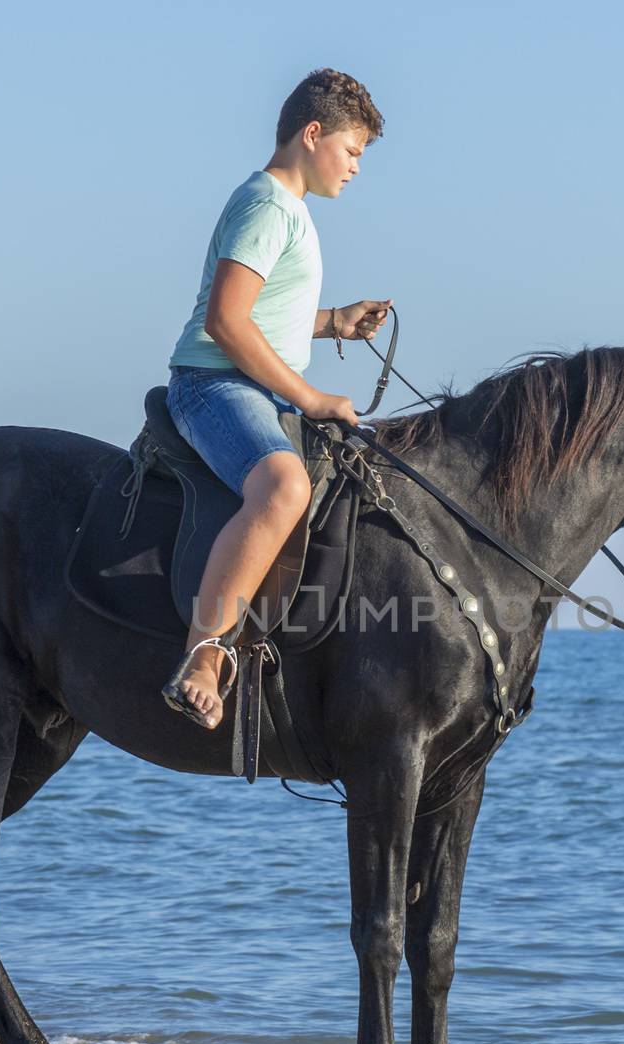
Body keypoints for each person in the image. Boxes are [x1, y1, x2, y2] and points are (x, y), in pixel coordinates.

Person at [161, 68, 390, 730]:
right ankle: (204, 656)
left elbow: (270, 313)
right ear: (311, 134)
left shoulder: (290, 210)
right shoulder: (267, 206)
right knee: (284, 488)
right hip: (214, 386)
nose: (355, 168)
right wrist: (312, 396)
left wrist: (336, 322)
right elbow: (226, 323)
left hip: (254, 387)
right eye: (351, 152)